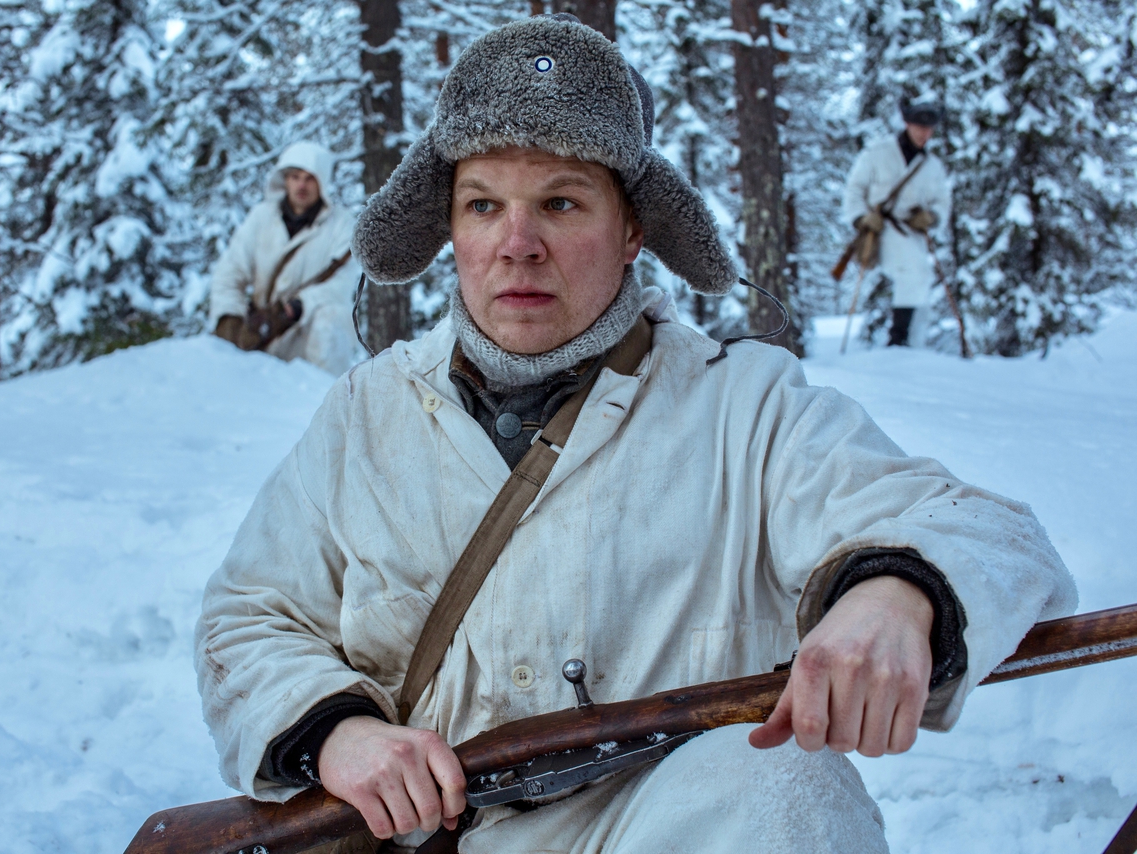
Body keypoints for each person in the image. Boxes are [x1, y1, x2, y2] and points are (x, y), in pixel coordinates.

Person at [196, 17, 1074, 854]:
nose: (518, 243)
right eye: (482, 205)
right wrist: (338, 732)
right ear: (450, 229)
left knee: (785, 786)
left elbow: (989, 532)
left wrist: (898, 594)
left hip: (668, 831)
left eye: (563, 202)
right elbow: (248, 617)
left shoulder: (746, 406)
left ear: (632, 232)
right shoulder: (363, 414)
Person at [208, 141, 363, 374]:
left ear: (321, 182)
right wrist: (229, 317)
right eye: (295, 177)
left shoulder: (342, 225)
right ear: (285, 180)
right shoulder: (262, 217)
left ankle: (326, 397)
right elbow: (231, 270)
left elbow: (341, 285)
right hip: (259, 331)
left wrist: (301, 306)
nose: (301, 185)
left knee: (331, 320)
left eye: (309, 178)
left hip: (303, 333)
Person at [843, 97, 952, 347]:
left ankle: (909, 341)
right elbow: (854, 189)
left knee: (918, 278)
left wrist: (931, 217)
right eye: (919, 126)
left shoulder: (932, 165)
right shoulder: (877, 153)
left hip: (913, 232)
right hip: (880, 229)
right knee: (913, 274)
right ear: (907, 124)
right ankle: (899, 339)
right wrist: (861, 218)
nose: (925, 133)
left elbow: (942, 201)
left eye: (929, 128)